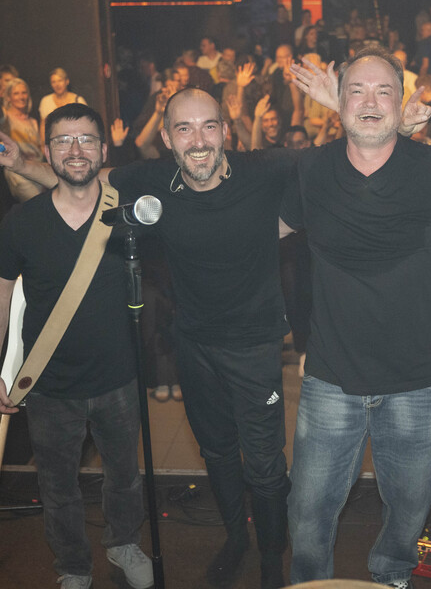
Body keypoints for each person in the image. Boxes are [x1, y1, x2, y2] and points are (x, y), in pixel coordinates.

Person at [1, 88, 295, 589]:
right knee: (217, 452)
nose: (197, 139)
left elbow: (336, 164)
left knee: (266, 465)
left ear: (225, 130)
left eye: (208, 126)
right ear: (167, 137)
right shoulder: (155, 180)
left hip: (255, 346)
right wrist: (22, 163)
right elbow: (81, 178)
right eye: (184, 128)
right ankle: (235, 540)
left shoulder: (263, 168)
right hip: (194, 346)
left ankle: (271, 561)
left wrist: (394, 127)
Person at [282, 46, 431, 589]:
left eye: (383, 91)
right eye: (356, 90)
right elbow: (257, 232)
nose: (370, 102)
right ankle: (311, 585)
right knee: (307, 513)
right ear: (338, 101)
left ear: (402, 102)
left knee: (409, 509)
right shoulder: (310, 170)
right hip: (331, 377)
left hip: (418, 383)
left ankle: (392, 577)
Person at [0, 103, 153, 589]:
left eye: (86, 139)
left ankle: (124, 543)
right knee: (57, 486)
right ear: (47, 152)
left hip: (119, 377)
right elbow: (2, 296)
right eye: (63, 140)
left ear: (104, 150)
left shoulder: (129, 213)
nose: (75, 150)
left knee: (125, 475)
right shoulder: (21, 222)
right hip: (49, 385)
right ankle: (72, 566)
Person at [38, 67, 87, 144]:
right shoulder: (46, 101)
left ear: (67, 81)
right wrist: (43, 144)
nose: (57, 85)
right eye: (53, 82)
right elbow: (43, 126)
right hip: (53, 145)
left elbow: (86, 126)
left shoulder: (78, 101)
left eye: (60, 81)